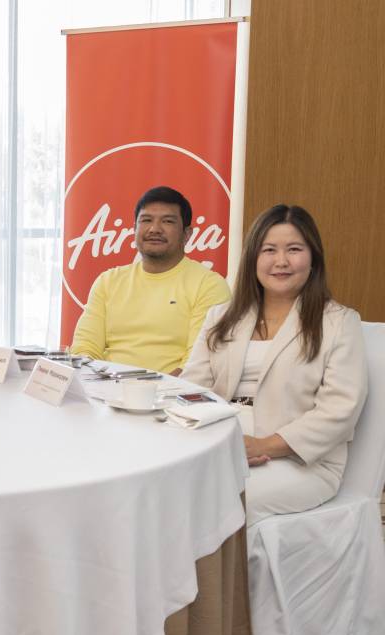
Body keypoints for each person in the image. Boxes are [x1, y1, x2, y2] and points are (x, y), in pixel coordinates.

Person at [182, 204, 367, 525]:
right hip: (221, 445)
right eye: (269, 250)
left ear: (313, 258)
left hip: (300, 461)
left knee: (220, 499)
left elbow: (339, 410)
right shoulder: (221, 317)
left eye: (294, 249)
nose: (281, 261)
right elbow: (191, 389)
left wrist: (260, 446)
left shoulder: (339, 322)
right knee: (163, 490)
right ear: (253, 257)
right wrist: (215, 445)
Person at [71, 186, 231, 374]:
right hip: (106, 386)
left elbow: (197, 363)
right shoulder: (108, 281)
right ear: (134, 229)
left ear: (187, 234)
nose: (155, 229)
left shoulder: (209, 284)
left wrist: (147, 389)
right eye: (146, 220)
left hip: (172, 390)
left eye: (168, 221)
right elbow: (85, 348)